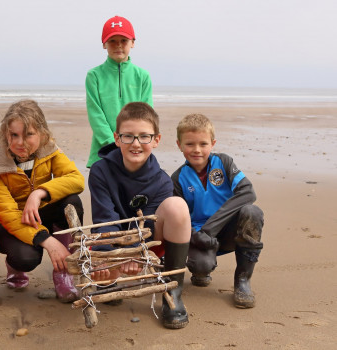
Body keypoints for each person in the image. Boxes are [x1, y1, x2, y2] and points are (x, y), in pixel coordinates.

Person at [88, 102, 191, 329]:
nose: (136, 144)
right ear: (117, 138)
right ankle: (112, 280)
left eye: (144, 137)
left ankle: (172, 290)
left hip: (146, 242)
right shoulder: (100, 171)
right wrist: (112, 257)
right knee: (104, 279)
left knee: (177, 206)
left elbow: (152, 227)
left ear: (156, 140)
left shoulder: (162, 180)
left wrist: (137, 254)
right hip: (111, 243)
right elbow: (104, 219)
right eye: (128, 136)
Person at [0, 100, 85, 303]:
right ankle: (15, 268)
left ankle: (63, 273)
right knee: (26, 258)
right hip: (11, 222)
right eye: (14, 135)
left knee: (72, 202)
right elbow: (6, 213)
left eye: (29, 134)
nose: (21, 142)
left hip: (40, 210)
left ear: (42, 134)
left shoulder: (50, 150)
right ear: (5, 134)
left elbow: (76, 179)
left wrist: (38, 194)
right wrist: (47, 241)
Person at [171, 113, 264, 308]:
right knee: (202, 265)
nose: (197, 150)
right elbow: (181, 219)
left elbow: (247, 192)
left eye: (203, 144)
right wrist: (199, 236)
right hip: (200, 238)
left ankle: (243, 281)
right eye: (190, 144)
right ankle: (201, 271)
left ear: (212, 143)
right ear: (179, 145)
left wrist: (211, 228)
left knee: (252, 212)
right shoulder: (178, 178)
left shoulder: (224, 163)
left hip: (227, 232)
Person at [85, 15, 153, 168]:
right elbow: (95, 114)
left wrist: (132, 142)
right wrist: (113, 144)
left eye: (124, 40)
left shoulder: (142, 76)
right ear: (104, 44)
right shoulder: (94, 75)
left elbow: (147, 115)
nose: (118, 45)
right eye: (112, 41)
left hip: (135, 148)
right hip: (103, 151)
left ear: (133, 43)